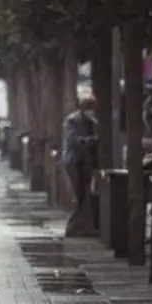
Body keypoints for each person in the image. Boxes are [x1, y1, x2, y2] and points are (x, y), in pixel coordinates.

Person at [61, 96, 99, 236]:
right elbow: (73, 140)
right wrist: (90, 141)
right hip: (74, 162)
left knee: (84, 195)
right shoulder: (73, 120)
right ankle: (72, 226)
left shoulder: (91, 121)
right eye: (90, 109)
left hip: (85, 163)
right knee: (79, 195)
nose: (92, 112)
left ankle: (80, 226)